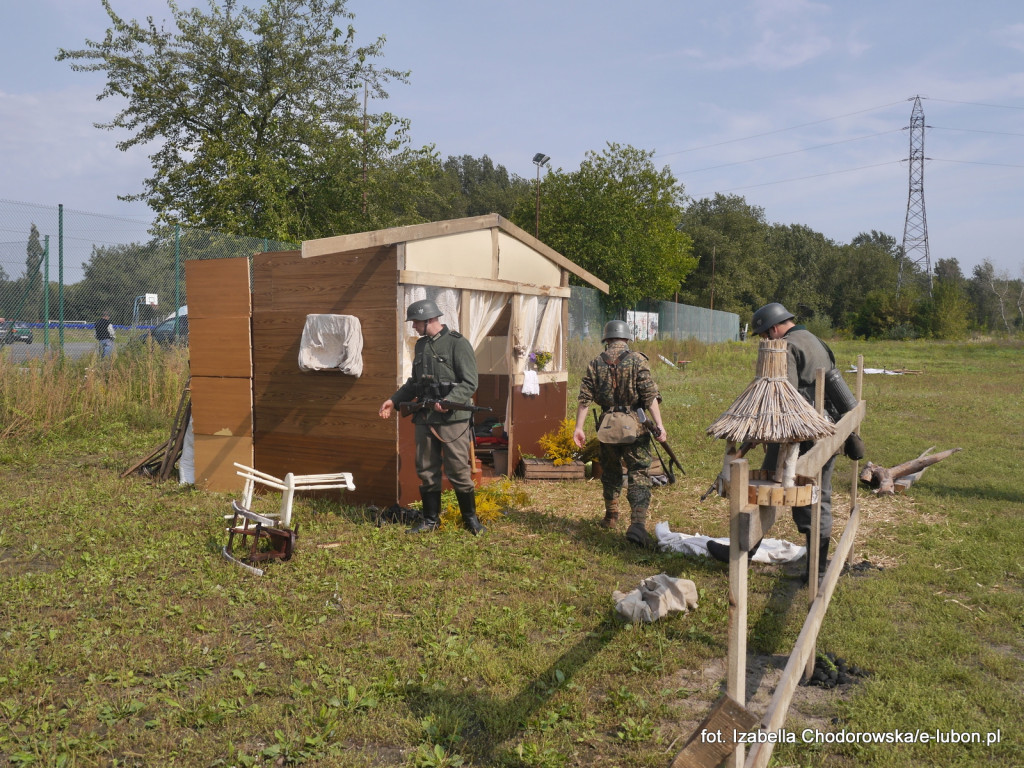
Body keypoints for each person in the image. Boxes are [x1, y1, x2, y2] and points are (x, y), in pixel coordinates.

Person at [747, 302, 838, 586]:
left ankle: (742, 553)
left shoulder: (785, 346)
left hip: (797, 433)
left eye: (764, 335)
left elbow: (782, 399)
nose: (765, 341)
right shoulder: (815, 340)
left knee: (767, 490)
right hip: (826, 426)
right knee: (820, 495)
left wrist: (763, 434)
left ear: (774, 328)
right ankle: (819, 569)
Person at [378, 299, 484, 535]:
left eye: (416, 322)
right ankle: (430, 520)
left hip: (453, 420)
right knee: (426, 469)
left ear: (429, 320)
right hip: (425, 418)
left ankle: (470, 520)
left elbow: (470, 383)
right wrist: (393, 400)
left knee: (458, 470)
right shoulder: (421, 346)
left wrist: (448, 402)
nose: (413, 327)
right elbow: (415, 383)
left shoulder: (458, 344)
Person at [572, 319, 667, 549]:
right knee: (639, 473)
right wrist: (660, 425)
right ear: (626, 338)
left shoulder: (595, 363)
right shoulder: (637, 360)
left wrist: (579, 428)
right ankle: (637, 524)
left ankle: (611, 516)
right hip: (635, 427)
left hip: (607, 427)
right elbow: (649, 396)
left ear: (606, 339)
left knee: (611, 471)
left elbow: (584, 399)